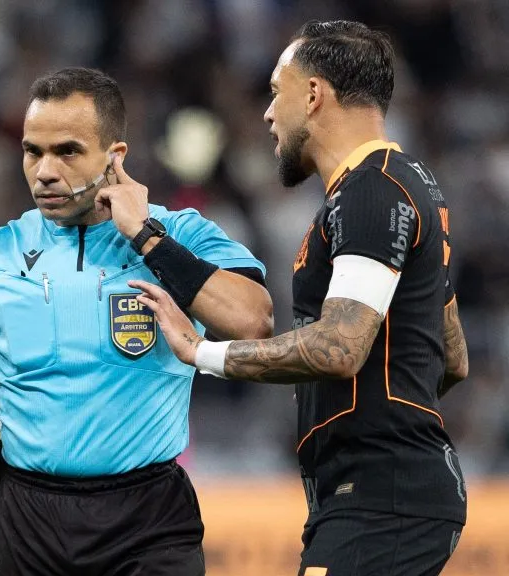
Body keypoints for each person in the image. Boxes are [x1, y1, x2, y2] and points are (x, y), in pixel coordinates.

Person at [137, 21, 469, 576]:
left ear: (313, 95)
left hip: (379, 498)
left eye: (275, 91)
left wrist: (202, 353)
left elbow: (339, 349)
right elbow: (451, 355)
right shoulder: (406, 185)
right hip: (386, 494)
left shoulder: (369, 191)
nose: (268, 114)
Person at [0, 67, 274, 576]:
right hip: (27, 521)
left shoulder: (181, 236)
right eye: (31, 151)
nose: (44, 170)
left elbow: (253, 321)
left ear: (115, 157)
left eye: (66, 151)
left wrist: (146, 237)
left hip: (150, 521)